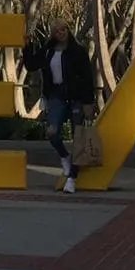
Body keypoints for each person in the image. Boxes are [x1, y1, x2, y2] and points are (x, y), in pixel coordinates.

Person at [23, 20, 95, 192]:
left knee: (79, 139)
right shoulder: (48, 51)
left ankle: (72, 178)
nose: (61, 32)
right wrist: (27, 46)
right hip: (56, 96)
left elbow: (87, 78)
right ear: (53, 34)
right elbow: (31, 65)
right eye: (57, 30)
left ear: (68, 31)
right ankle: (64, 156)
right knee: (52, 131)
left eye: (63, 29)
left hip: (76, 98)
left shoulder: (78, 51)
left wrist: (88, 102)